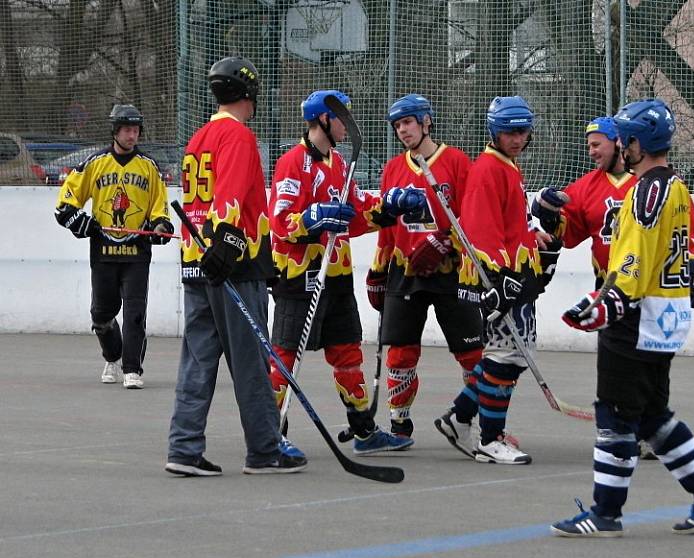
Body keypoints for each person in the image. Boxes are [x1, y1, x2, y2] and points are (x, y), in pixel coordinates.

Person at [551, 98, 694, 537]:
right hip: (665, 318)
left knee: (614, 414)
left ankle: (605, 512)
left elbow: (634, 261)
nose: (621, 145)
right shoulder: (676, 186)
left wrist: (605, 303)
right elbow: (685, 250)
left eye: (625, 138)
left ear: (637, 142)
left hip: (636, 317)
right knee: (652, 414)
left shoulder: (644, 192)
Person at [533, 116, 694, 459]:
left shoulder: (655, 183)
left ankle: (635, 431)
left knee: (649, 370)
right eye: (588, 145)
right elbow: (566, 234)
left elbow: (688, 229)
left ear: (622, 142)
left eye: (596, 144)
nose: (591, 152)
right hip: (612, 288)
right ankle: (633, 430)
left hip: (650, 290)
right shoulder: (585, 187)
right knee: (619, 368)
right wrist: (548, 211)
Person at [166, 56, 307, 477]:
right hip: (233, 265)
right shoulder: (240, 137)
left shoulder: (198, 137)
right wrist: (227, 245)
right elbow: (227, 198)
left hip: (197, 263)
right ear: (250, 95)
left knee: (197, 358)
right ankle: (264, 450)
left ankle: (184, 447)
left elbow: (195, 200)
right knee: (250, 360)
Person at [268, 89, 427, 455]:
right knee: (285, 355)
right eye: (343, 118)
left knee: (347, 353)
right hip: (300, 273)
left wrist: (390, 207)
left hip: (336, 273)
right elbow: (279, 222)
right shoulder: (293, 162)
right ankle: (270, 433)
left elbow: (355, 213)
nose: (348, 126)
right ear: (324, 119)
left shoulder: (339, 163)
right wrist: (313, 217)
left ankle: (364, 431)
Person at [433, 96, 561, 465]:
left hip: (516, 277)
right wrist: (496, 279)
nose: (517, 138)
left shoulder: (508, 166)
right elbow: (479, 230)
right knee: (504, 359)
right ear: (495, 132)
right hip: (502, 280)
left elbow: (508, 221)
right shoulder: (489, 169)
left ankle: (458, 418)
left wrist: (529, 233)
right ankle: (488, 439)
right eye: (510, 132)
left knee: (509, 357)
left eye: (522, 131)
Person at [365, 93, 483, 442]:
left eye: (409, 122)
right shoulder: (393, 168)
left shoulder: (458, 162)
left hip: (452, 270)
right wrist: (377, 270)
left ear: (426, 122)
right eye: (398, 125)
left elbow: (474, 215)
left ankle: (470, 420)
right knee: (400, 351)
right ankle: (399, 424)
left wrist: (446, 240)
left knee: (472, 351)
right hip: (405, 271)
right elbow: (387, 226)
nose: (403, 130)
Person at [55, 104, 173, 390]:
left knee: (135, 312)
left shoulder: (149, 167)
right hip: (104, 253)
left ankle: (132, 368)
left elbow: (160, 211)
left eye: (135, 130)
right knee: (101, 315)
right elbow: (65, 205)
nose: (132, 136)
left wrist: (160, 228)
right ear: (115, 131)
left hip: (136, 254)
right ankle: (113, 356)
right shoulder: (95, 164)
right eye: (126, 130)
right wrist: (81, 222)